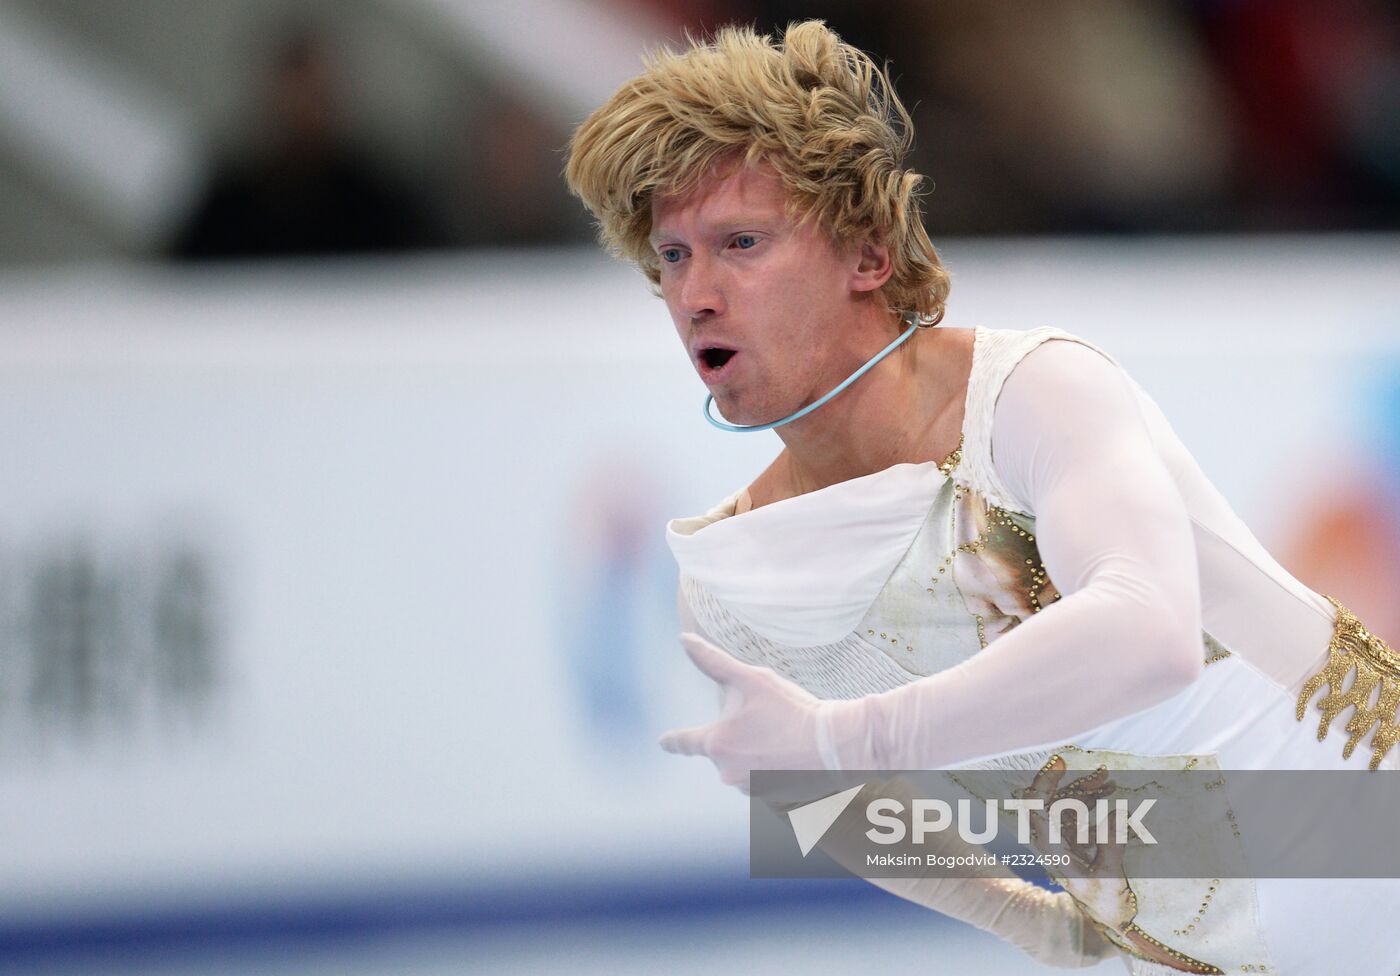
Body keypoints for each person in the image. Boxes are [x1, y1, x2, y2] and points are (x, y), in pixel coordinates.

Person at [565, 20, 1400, 974]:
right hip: (1189, 950)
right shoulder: (732, 583)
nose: (696, 295)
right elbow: (832, 802)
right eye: (671, 257)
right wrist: (1017, 916)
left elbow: (1148, 632)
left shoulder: (1039, 390)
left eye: (740, 243)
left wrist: (843, 738)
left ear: (868, 255)